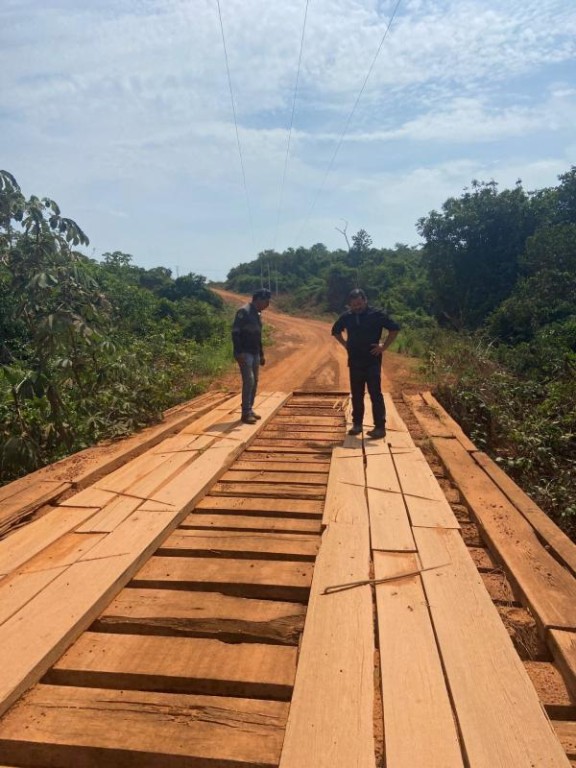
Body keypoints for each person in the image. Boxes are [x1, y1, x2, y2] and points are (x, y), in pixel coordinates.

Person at [332, 288, 400, 439]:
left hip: (372, 361)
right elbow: (335, 331)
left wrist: (383, 347)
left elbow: (394, 329)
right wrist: (346, 345)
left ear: (365, 300)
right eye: (354, 305)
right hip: (355, 361)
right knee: (356, 394)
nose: (357, 307)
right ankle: (357, 425)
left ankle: (380, 427)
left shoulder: (377, 314)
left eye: (359, 303)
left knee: (375, 393)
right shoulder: (347, 317)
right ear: (349, 305)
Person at [232, 288, 271, 424]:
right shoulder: (244, 312)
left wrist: (261, 354)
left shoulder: (257, 314)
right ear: (259, 299)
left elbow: (257, 336)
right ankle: (245, 413)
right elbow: (235, 333)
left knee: (255, 382)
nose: (267, 305)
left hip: (254, 353)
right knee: (249, 381)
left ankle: (250, 409)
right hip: (245, 352)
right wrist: (238, 352)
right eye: (266, 301)